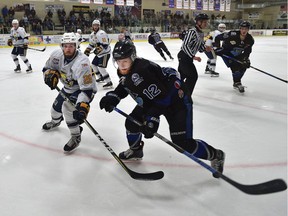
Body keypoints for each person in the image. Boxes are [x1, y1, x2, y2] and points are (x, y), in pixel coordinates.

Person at [99, 40, 225, 178]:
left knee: (182, 143)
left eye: (125, 61)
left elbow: (162, 99)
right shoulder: (126, 70)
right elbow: (126, 84)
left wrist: (152, 120)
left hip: (177, 101)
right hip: (156, 100)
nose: (121, 65)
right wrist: (114, 96)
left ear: (133, 57)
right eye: (118, 61)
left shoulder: (142, 70)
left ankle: (216, 155)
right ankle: (136, 150)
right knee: (132, 123)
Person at [42, 32, 97, 153]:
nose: (68, 49)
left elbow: (87, 89)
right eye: (65, 46)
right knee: (55, 111)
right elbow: (45, 69)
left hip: (83, 90)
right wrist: (48, 76)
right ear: (61, 45)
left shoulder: (82, 62)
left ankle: (76, 136)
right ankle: (55, 122)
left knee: (68, 109)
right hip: (67, 88)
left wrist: (82, 105)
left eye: (71, 46)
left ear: (76, 46)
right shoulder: (56, 55)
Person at [177, 13, 212, 97]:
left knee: (181, 77)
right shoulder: (192, 31)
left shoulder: (201, 33)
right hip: (184, 56)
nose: (206, 24)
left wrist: (205, 48)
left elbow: (199, 48)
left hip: (187, 58)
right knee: (192, 76)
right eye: (204, 22)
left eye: (206, 22)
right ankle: (186, 96)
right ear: (198, 22)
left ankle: (176, 92)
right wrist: (193, 56)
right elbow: (185, 46)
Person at [214, 21, 254, 93]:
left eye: (246, 29)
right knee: (235, 67)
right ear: (240, 29)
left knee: (244, 66)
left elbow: (247, 51)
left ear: (248, 29)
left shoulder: (250, 39)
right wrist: (217, 48)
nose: (244, 30)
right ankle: (237, 82)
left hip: (237, 54)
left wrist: (245, 59)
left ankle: (236, 81)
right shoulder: (232, 34)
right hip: (226, 52)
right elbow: (218, 38)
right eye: (242, 29)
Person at [84, 19, 113, 88]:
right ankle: (101, 77)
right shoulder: (92, 35)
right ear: (92, 26)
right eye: (94, 25)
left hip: (105, 53)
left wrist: (98, 50)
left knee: (101, 67)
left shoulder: (101, 34)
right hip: (99, 54)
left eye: (97, 25)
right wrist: (87, 50)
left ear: (99, 26)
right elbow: (91, 44)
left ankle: (109, 82)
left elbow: (105, 45)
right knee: (93, 65)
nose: (95, 26)